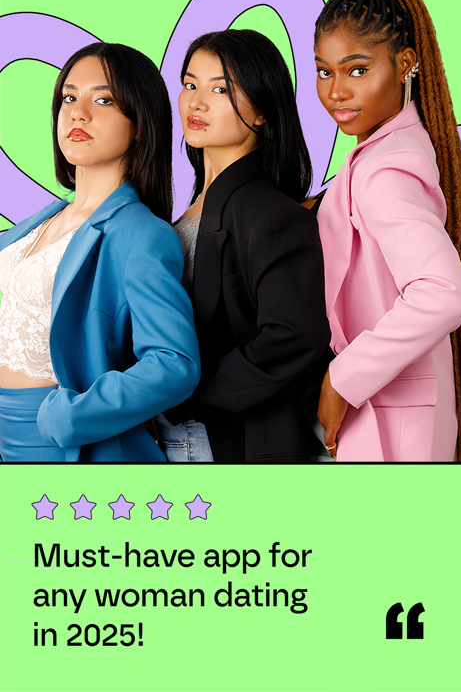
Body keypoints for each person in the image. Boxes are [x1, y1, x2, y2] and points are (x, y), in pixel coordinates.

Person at [0, 43, 200, 462]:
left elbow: (174, 363)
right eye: (69, 97)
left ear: (140, 123)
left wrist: (72, 416)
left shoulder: (143, 235)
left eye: (104, 100)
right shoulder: (40, 220)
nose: (78, 113)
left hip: (61, 447)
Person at [310, 0, 461, 462]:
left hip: (390, 426)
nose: (336, 91)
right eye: (324, 71)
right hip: (398, 415)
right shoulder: (390, 149)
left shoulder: (385, 170)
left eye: (357, 70)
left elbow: (445, 291)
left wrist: (343, 378)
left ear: (405, 64)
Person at [154, 29, 331, 463]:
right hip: (167, 437)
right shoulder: (186, 210)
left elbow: (293, 338)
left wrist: (184, 395)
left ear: (264, 110)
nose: (196, 103)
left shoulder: (274, 215)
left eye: (220, 90)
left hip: (220, 441)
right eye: (190, 84)